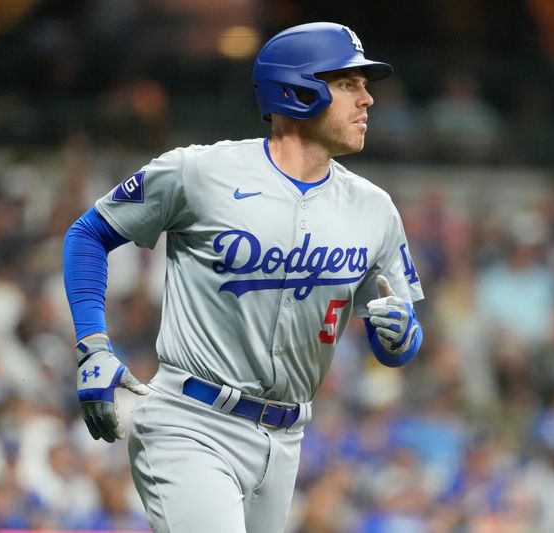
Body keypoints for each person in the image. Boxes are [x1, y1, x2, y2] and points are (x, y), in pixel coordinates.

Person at [62, 21, 425, 533]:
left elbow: (397, 344)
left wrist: (403, 337)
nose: (367, 99)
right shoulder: (200, 172)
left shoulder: (374, 209)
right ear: (298, 89)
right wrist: (93, 346)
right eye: (349, 83)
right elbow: (88, 234)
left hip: (287, 438)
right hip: (191, 422)